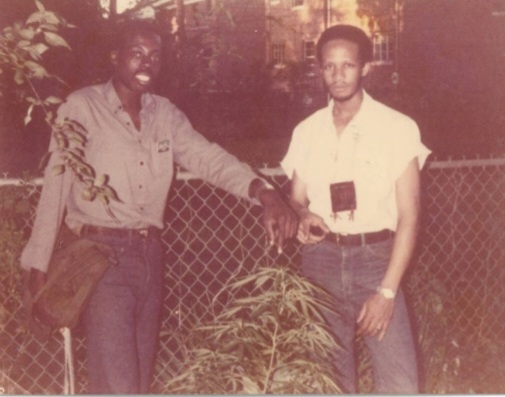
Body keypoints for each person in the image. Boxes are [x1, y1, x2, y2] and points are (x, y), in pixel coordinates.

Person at [21, 21, 297, 394]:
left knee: (134, 381)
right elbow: (56, 186)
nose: (146, 63)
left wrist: (265, 193)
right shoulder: (82, 107)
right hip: (101, 260)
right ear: (115, 57)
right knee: (120, 385)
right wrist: (36, 266)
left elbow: (208, 158)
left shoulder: (164, 114)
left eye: (154, 56)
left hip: (150, 257)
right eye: (136, 53)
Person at [280, 24, 431, 393]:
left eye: (348, 65)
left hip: (377, 261)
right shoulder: (307, 130)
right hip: (321, 262)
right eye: (329, 66)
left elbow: (410, 215)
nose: (338, 74)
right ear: (320, 70)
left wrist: (388, 292)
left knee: (400, 383)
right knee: (331, 381)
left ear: (366, 68)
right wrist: (301, 216)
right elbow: (295, 199)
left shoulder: (397, 127)